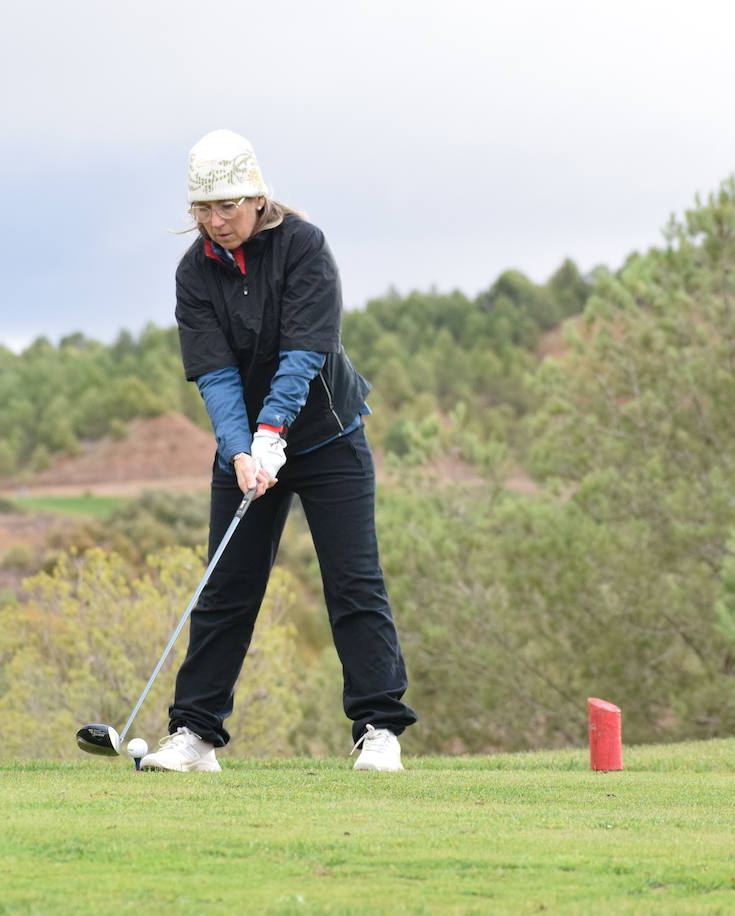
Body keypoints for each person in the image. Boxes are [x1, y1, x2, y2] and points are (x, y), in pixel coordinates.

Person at [139, 129, 416, 773]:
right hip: (247, 451)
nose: (215, 222)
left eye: (227, 207)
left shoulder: (303, 247)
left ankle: (378, 728)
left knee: (352, 579)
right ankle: (195, 734)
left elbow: (303, 352)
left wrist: (272, 435)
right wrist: (241, 452)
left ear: (257, 197)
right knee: (226, 587)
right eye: (202, 211)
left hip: (327, 437)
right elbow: (214, 375)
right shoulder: (194, 271)